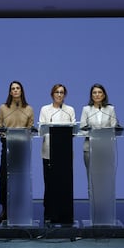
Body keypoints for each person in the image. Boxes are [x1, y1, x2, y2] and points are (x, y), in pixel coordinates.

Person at [0, 81, 34, 224]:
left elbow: (30, 129)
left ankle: (19, 209)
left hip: (22, 148)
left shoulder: (28, 109)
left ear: (22, 91)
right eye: (13, 89)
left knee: (21, 180)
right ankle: (5, 210)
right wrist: (2, 133)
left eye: (18, 88)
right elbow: (0, 127)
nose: (16, 90)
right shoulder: (3, 108)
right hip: (7, 146)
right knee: (4, 178)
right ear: (10, 92)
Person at [38, 84, 76, 222]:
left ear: (64, 95)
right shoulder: (45, 109)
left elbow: (73, 131)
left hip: (64, 154)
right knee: (50, 184)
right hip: (49, 152)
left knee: (65, 184)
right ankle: (49, 214)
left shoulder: (69, 110)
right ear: (52, 94)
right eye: (56, 92)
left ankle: (65, 215)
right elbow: (42, 129)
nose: (59, 95)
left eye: (62, 92)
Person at [79, 83, 118, 186]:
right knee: (91, 177)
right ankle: (92, 201)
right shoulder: (86, 109)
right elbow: (82, 128)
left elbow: (114, 127)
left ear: (104, 95)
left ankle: (106, 201)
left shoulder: (110, 109)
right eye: (94, 92)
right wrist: (95, 133)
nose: (97, 95)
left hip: (106, 147)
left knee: (106, 176)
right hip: (90, 147)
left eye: (99, 92)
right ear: (91, 95)